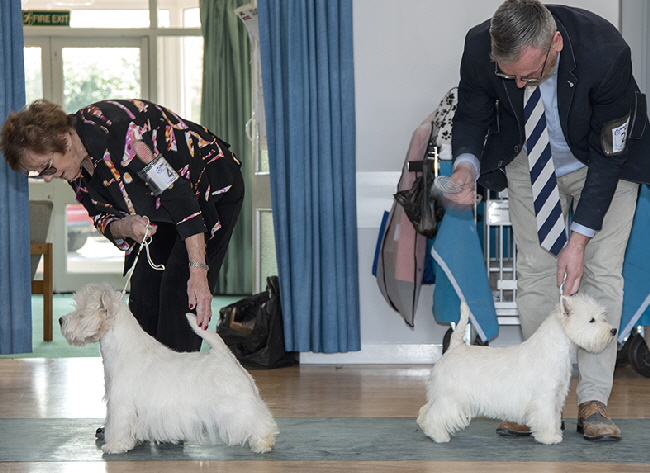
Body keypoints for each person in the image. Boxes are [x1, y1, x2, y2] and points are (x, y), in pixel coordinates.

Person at [445, 0, 650, 442]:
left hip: (603, 162)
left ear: (554, 43)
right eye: (509, 75)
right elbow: (472, 112)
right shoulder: (480, 45)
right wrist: (465, 165)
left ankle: (593, 399)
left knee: (599, 270)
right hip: (527, 160)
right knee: (536, 269)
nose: (519, 83)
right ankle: (534, 398)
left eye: (531, 74)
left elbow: (610, 156)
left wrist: (578, 238)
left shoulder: (606, 51)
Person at [1, 99, 244, 353]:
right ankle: (145, 386)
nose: (49, 177)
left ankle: (178, 386)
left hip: (208, 192)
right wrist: (126, 226)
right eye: (39, 173)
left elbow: (178, 195)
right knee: (144, 296)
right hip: (160, 211)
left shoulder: (126, 137)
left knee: (179, 294)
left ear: (64, 139)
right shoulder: (74, 164)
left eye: (47, 167)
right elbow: (102, 219)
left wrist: (198, 271)